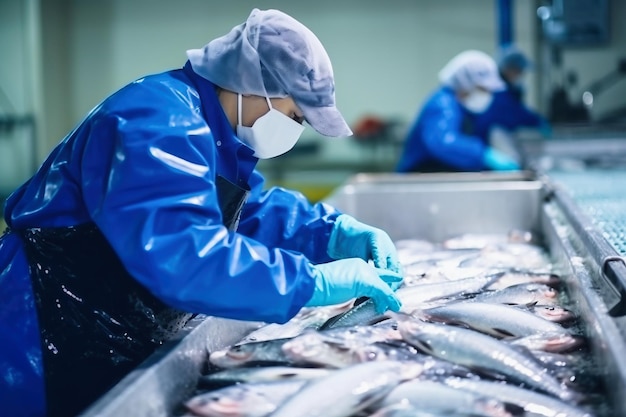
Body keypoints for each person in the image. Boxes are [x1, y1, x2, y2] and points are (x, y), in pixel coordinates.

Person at [0, 9, 403, 417]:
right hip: (37, 326)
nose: (295, 128)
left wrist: (331, 232)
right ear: (255, 82)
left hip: (102, 322)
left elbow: (246, 211)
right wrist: (309, 282)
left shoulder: (215, 134)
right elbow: (185, 255)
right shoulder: (156, 122)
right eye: (296, 115)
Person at [396, 50, 520, 173]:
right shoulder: (442, 104)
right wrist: (483, 155)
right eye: (482, 89)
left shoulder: (464, 109)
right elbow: (443, 142)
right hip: (419, 178)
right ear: (465, 82)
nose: (487, 95)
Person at [471, 45, 552, 142]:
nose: (521, 75)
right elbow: (513, 114)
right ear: (508, 70)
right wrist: (537, 121)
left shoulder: (505, 91)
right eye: (519, 71)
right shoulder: (497, 92)